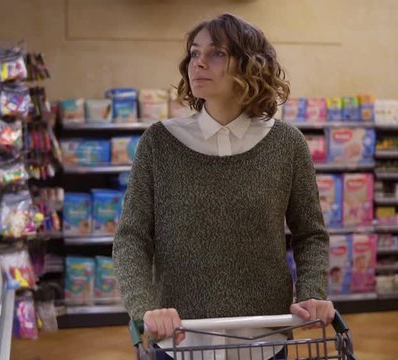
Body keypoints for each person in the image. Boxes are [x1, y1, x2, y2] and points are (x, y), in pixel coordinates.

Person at [113, 13, 334, 360]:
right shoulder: (159, 143)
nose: (197, 63)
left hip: (265, 338)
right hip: (180, 342)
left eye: (216, 53)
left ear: (251, 67)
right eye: (194, 53)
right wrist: (144, 307)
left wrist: (311, 292)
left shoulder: (287, 144)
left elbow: (310, 234)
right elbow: (131, 238)